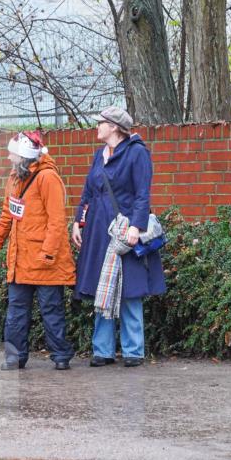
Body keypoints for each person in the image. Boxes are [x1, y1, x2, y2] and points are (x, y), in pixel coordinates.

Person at [71, 107, 166, 367]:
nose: (97, 127)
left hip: (124, 231)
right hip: (98, 232)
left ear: (114, 126)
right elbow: (87, 193)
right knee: (102, 288)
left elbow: (142, 194)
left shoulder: (137, 153)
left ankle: (133, 350)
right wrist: (78, 222)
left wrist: (136, 227)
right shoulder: (98, 156)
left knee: (130, 289)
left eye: (101, 123)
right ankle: (102, 350)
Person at [0, 131, 75, 371]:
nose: (8, 158)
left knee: (51, 310)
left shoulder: (48, 178)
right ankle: (15, 357)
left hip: (45, 260)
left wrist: (47, 253)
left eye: (12, 153)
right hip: (21, 259)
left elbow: (57, 221)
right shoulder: (15, 177)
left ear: (24, 156)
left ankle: (60, 355)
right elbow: (8, 213)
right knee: (16, 312)